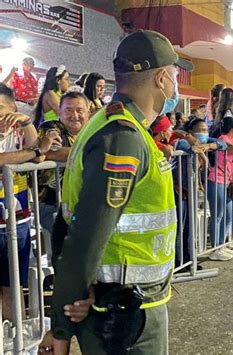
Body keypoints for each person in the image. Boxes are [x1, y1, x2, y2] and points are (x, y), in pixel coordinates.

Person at [38, 29, 194, 355]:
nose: (175, 85)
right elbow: (85, 233)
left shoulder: (114, 126)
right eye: (176, 76)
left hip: (117, 302)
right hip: (125, 311)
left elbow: (70, 223)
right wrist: (62, 327)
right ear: (162, 78)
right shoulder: (122, 137)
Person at [0, 83, 61, 321]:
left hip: (18, 220)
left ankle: (13, 336)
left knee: (13, 285)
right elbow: (32, 153)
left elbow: (41, 156)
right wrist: (34, 152)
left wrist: (26, 123)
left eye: (2, 108)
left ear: (13, 106)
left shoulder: (18, 130)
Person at [38, 91, 91, 261]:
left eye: (80, 110)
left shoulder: (92, 132)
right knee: (67, 246)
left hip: (84, 203)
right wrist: (93, 151)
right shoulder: (50, 128)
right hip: (52, 204)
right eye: (68, 110)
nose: (75, 115)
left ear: (88, 113)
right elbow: (51, 153)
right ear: (59, 112)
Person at [172, 118, 226, 268]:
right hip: (179, 189)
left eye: (205, 130)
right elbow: (191, 147)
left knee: (189, 227)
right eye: (200, 130)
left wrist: (209, 145)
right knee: (180, 228)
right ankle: (178, 262)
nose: (204, 133)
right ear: (191, 132)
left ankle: (189, 260)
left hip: (190, 190)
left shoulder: (204, 141)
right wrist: (201, 149)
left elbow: (222, 144)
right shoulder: (183, 142)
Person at [207, 116, 233, 261]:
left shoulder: (231, 138)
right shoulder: (222, 139)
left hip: (228, 182)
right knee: (218, 215)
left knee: (229, 215)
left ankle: (221, 245)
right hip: (217, 180)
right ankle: (215, 248)